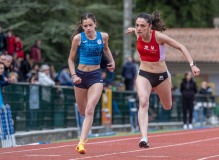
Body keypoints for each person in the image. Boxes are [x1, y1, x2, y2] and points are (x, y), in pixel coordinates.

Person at [126, 10, 200, 148]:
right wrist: (132, 29)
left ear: (150, 26)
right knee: (143, 101)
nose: (139, 29)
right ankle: (144, 138)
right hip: (144, 74)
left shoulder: (159, 37)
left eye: (142, 26)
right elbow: (135, 30)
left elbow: (181, 46)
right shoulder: (138, 34)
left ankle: (146, 134)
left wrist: (192, 65)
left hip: (161, 77)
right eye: (137, 25)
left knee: (167, 106)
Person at [68, 12, 115, 154]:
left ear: (95, 24)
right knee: (82, 111)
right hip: (80, 76)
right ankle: (82, 138)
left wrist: (112, 61)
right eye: (85, 26)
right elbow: (70, 59)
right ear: (82, 27)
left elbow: (106, 49)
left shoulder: (103, 36)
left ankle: (81, 143)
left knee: (89, 109)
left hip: (96, 76)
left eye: (90, 25)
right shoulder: (78, 39)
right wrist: (74, 75)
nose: (88, 28)